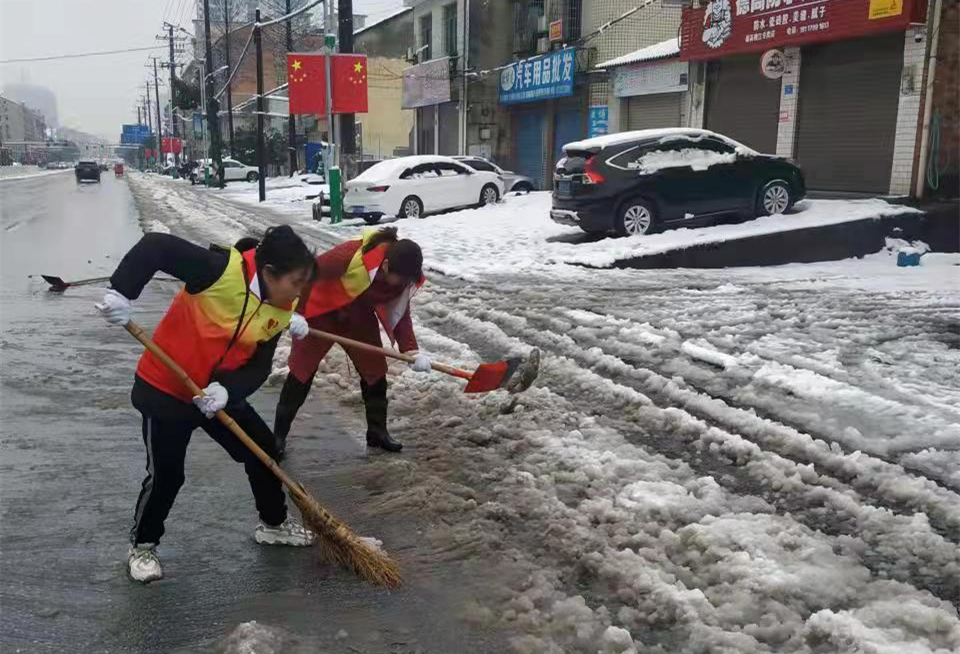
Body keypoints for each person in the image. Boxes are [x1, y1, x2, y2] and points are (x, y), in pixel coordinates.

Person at [95, 226, 317, 584]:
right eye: (296, 282)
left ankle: (273, 525)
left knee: (262, 450)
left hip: (216, 394)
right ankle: (143, 546)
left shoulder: (281, 308)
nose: (299, 292)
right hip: (167, 388)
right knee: (168, 475)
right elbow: (157, 246)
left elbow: (259, 366)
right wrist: (122, 291)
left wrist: (228, 391)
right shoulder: (218, 271)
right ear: (269, 272)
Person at [274, 227, 429, 457]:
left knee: (375, 370)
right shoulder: (346, 256)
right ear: (386, 266)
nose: (403, 284)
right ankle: (278, 437)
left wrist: (411, 351)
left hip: (358, 315)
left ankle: (377, 433)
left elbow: (400, 313)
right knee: (301, 371)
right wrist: (297, 312)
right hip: (322, 312)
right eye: (401, 279)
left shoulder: (402, 276)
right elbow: (308, 274)